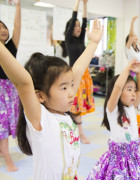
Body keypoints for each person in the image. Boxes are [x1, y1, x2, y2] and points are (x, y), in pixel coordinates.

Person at [0, 19, 103, 179]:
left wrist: (93, 43)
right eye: (63, 88)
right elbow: (23, 82)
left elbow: (78, 69)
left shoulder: (63, 111)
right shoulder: (40, 118)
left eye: (71, 86)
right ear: (40, 95)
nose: (71, 93)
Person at [87, 59, 140, 179]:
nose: (134, 93)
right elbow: (117, 87)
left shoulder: (131, 107)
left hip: (133, 158)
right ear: (119, 93)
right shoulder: (113, 109)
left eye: (134, 89)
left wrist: (139, 72)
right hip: (117, 161)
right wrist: (127, 68)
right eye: (129, 89)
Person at [65, 0, 93, 144]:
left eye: (78, 26)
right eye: (74, 26)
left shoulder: (81, 39)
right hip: (74, 75)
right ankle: (80, 134)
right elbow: (75, 16)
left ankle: (77, 131)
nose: (78, 28)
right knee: (75, 106)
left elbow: (84, 21)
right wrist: (77, 2)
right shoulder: (69, 40)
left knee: (79, 107)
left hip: (85, 75)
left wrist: (85, 5)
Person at [0, 0, 21, 172]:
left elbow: (17, 27)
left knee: (5, 126)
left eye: (3, 27)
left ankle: (4, 151)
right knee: (2, 127)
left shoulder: (10, 48)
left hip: (10, 91)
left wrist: (18, 6)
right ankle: (7, 158)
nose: (2, 30)